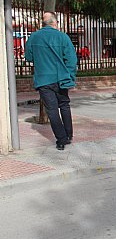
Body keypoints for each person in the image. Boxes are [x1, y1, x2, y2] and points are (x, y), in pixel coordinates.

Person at [24, 11, 77, 151]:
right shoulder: (63, 37)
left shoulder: (33, 37)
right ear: (55, 23)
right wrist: (70, 75)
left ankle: (61, 140)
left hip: (43, 79)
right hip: (61, 78)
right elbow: (71, 59)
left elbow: (28, 57)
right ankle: (69, 134)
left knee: (52, 110)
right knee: (64, 105)